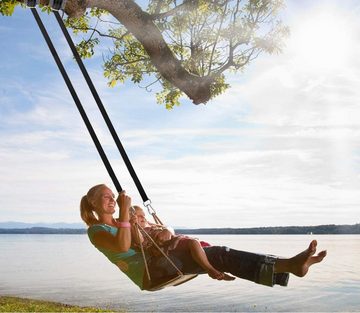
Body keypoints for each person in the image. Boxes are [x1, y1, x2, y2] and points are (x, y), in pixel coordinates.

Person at [80, 184, 327, 291]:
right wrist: (125, 210)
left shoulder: (126, 220)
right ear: (93, 203)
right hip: (150, 271)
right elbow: (123, 244)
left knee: (220, 255)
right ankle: (290, 266)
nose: (112, 199)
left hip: (161, 261)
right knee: (218, 255)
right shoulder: (97, 231)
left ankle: (287, 267)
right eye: (106, 196)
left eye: (114, 196)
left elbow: (147, 236)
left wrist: (150, 225)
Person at [130, 206, 235, 280]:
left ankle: (218, 270)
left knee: (204, 247)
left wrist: (168, 230)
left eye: (143, 215)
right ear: (132, 219)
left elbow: (167, 227)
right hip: (169, 247)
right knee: (193, 243)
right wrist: (134, 225)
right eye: (138, 216)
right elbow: (139, 241)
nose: (142, 217)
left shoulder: (150, 225)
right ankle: (211, 270)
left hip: (176, 240)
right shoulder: (138, 230)